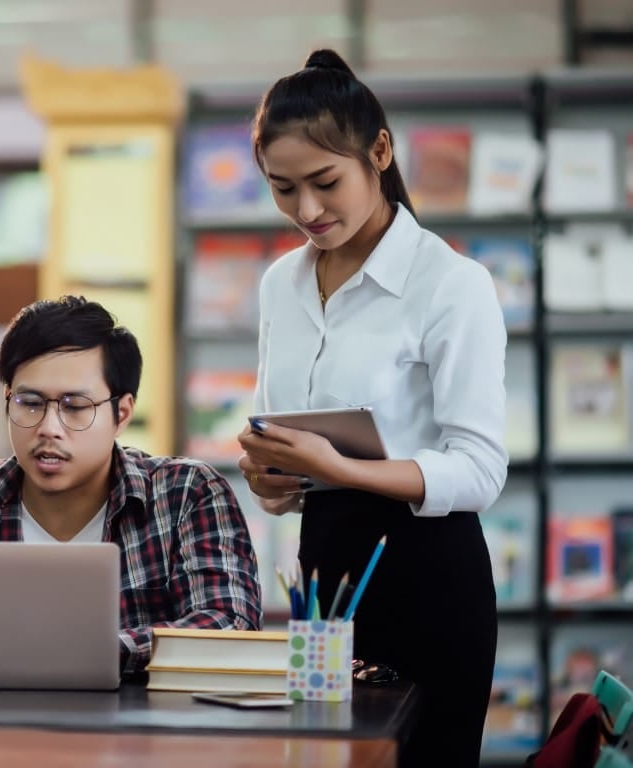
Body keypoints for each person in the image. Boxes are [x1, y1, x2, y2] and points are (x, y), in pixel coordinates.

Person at [237, 50, 506, 767]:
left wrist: (345, 470)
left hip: (429, 580)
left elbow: (479, 470)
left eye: (325, 182)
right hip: (321, 579)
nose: (306, 211)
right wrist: (273, 478)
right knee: (319, 760)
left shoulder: (452, 284)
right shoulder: (278, 285)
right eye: (282, 189)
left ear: (379, 152)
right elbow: (282, 437)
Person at [0, 296, 262, 677]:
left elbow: (228, 625)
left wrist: (77, 651)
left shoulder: (186, 494)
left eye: (75, 407)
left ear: (122, 412)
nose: (49, 428)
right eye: (30, 403)